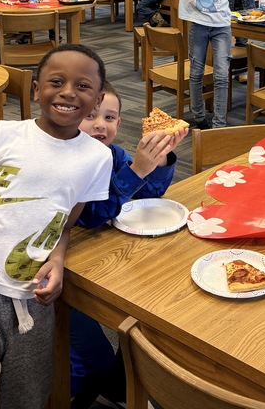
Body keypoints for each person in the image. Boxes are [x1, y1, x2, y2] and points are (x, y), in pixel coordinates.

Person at [0, 44, 113, 409]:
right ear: (35, 89)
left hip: (33, 301)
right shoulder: (3, 134)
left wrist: (58, 261)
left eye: (82, 86)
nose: (67, 92)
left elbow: (63, 225)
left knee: (27, 398)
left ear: (96, 99)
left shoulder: (98, 158)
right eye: (56, 81)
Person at [70, 82, 188, 407]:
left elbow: (146, 194)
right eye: (90, 115)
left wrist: (159, 162)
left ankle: (122, 385)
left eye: (109, 117)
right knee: (92, 358)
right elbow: (92, 214)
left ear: (119, 123)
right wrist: (137, 170)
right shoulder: (66, 162)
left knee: (151, 303)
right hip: (56, 276)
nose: (100, 124)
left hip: (104, 262)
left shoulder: (113, 154)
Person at [163, 0, 265, 129]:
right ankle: (199, 116)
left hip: (221, 26)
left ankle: (219, 123)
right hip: (198, 25)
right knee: (196, 73)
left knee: (221, 75)